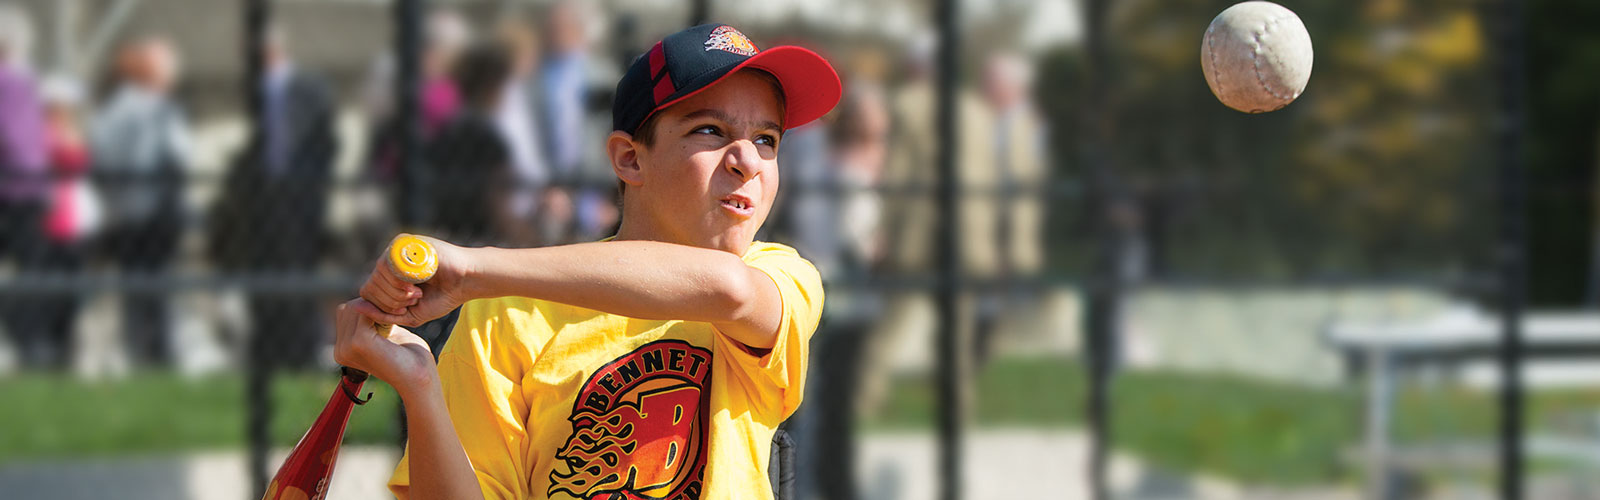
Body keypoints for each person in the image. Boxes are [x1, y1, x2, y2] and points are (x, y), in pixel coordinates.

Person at [332, 24, 840, 500]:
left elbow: (728, 291)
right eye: (710, 130)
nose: (747, 161)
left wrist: (471, 270)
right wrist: (421, 388)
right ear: (629, 158)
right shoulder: (508, 313)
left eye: (766, 140)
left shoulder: (779, 274)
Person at [211, 26, 339, 370]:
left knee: (298, 273)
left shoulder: (308, 89)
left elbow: (325, 142)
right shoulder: (255, 93)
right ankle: (271, 352)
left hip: (299, 202)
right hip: (263, 205)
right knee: (265, 274)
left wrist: (308, 186)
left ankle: (299, 351)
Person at [89, 36, 191, 368]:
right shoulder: (158, 109)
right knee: (159, 288)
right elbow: (179, 156)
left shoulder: (110, 112)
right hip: (157, 213)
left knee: (134, 288)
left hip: (123, 214)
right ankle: (160, 355)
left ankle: (137, 352)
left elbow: (99, 159)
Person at [423, 41, 517, 246]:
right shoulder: (486, 138)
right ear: (492, 86)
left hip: (446, 236)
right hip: (481, 242)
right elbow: (498, 206)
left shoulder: (448, 130)